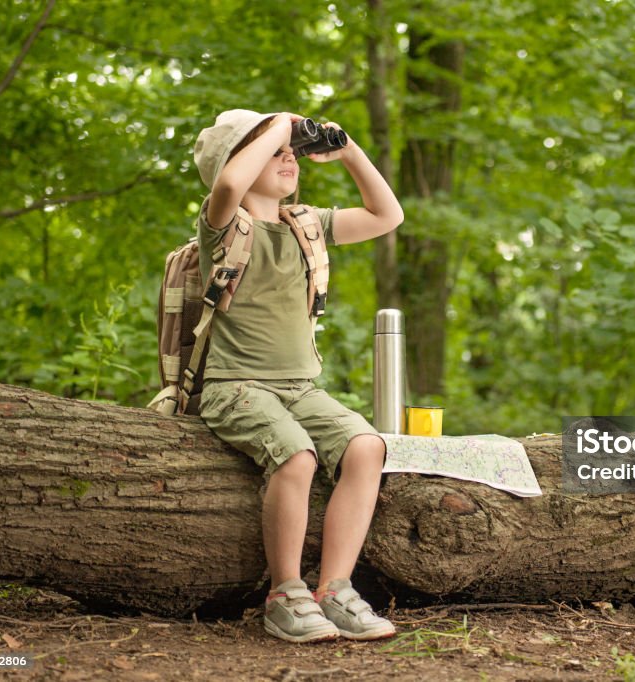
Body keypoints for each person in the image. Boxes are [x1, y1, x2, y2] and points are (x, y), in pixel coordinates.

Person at [192, 109, 404, 643]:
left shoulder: (306, 224)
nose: (289, 156)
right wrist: (278, 128)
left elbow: (387, 216)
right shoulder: (222, 226)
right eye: (274, 151)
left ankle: (335, 588)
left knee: (365, 446)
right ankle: (286, 592)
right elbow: (232, 182)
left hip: (299, 389)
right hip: (234, 387)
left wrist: (349, 150)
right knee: (296, 454)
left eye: (292, 151)